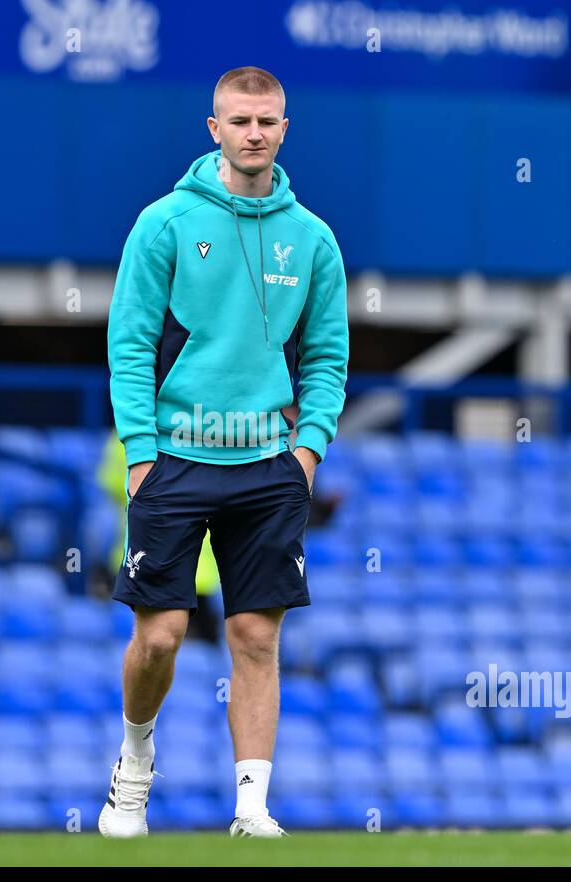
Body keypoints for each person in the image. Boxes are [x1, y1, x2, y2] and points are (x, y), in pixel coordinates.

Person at [100, 66, 349, 838]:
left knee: (255, 635)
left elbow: (327, 357)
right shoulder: (165, 223)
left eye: (267, 121)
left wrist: (306, 455)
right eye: (239, 120)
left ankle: (251, 808)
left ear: (284, 128)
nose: (254, 133)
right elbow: (130, 343)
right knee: (161, 635)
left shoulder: (313, 240)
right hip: (174, 461)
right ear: (214, 129)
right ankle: (134, 765)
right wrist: (142, 454)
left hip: (268, 467)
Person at [97, 429, 223, 645]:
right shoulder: (209, 427)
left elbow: (116, 489)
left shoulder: (126, 430)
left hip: (146, 566)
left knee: (147, 650)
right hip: (190, 572)